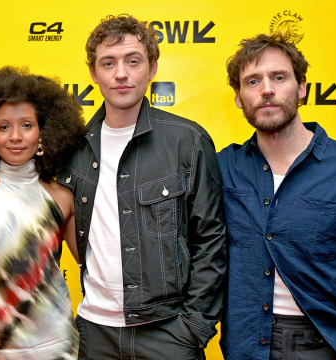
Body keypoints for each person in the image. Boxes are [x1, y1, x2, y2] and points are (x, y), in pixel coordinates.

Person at [218, 33, 336, 360]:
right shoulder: (220, 168)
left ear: (302, 87)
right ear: (238, 97)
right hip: (244, 343)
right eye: (252, 81)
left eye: (279, 77)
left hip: (327, 344)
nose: (266, 90)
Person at [55, 14, 226, 359]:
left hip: (168, 332)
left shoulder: (188, 141)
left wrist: (194, 328)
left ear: (152, 69)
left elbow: (211, 239)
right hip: (94, 332)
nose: (121, 73)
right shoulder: (71, 147)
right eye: (109, 63)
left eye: (133, 61)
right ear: (93, 73)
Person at [0, 66, 87, 360]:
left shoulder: (63, 197)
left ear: (44, 132)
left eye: (26, 125)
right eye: (4, 127)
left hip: (58, 349)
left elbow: (94, 270)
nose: (16, 137)